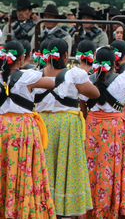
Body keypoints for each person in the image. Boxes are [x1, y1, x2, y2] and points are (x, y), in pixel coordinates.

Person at [34, 38, 100, 217]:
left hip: (43, 124)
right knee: (65, 167)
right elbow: (95, 93)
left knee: (45, 166)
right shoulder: (74, 74)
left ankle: (43, 204)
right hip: (66, 126)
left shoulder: (35, 75)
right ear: (65, 55)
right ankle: (63, 208)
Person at [80, 47, 125, 219]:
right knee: (114, 167)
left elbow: (82, 108)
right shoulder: (123, 80)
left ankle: (92, 207)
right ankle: (115, 206)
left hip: (93, 126)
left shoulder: (87, 80)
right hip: (115, 128)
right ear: (114, 63)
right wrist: (123, 92)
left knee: (93, 166)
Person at [0, 41, 56, 218]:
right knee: (23, 169)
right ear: (22, 58)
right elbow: (51, 84)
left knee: (4, 166)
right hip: (23, 128)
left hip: (2, 125)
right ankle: (22, 209)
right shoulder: (27, 76)